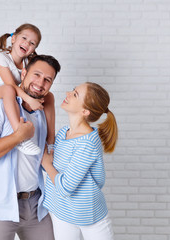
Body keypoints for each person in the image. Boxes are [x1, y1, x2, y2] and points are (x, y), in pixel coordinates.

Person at [0, 54, 61, 240]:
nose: (40, 83)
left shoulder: (43, 111)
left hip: (36, 207)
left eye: (47, 80)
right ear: (24, 72)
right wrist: (17, 137)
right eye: (36, 75)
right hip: (0, 207)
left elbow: (43, 159)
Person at [41, 82, 118, 240]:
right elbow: (98, 179)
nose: (68, 93)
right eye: (73, 90)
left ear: (85, 111)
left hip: (89, 215)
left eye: (75, 94)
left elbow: (65, 187)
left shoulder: (88, 142)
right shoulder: (63, 133)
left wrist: (46, 164)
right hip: (61, 212)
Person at [0, 23, 56, 155]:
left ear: (33, 49)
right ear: (13, 39)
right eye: (24, 38)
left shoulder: (26, 64)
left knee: (49, 96)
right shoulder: (2, 59)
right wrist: (30, 99)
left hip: (7, 92)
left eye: (32, 43)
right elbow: (11, 85)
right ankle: (20, 134)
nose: (27, 43)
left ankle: (51, 142)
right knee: (8, 90)